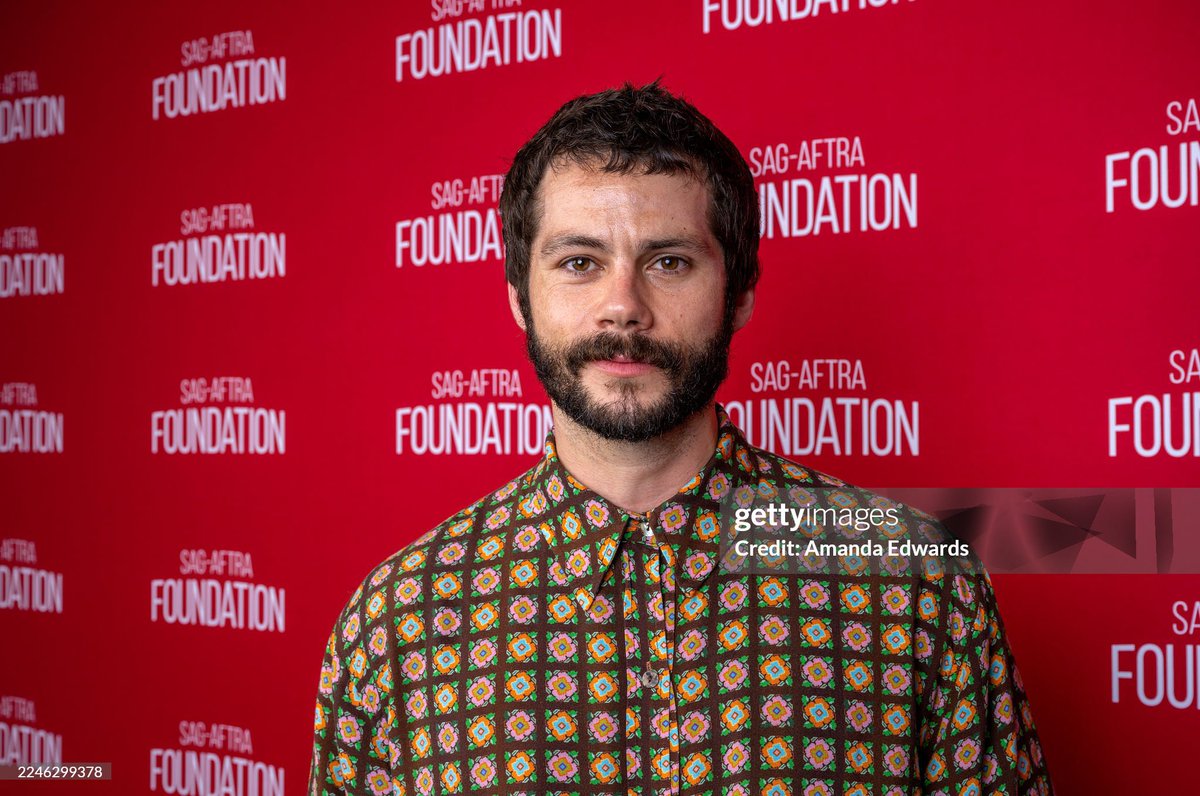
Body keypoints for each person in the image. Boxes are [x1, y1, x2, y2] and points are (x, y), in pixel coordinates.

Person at [308, 81, 1053, 796]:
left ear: (740, 293)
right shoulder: (398, 623)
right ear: (518, 298)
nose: (622, 306)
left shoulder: (914, 580)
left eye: (669, 262)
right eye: (579, 263)